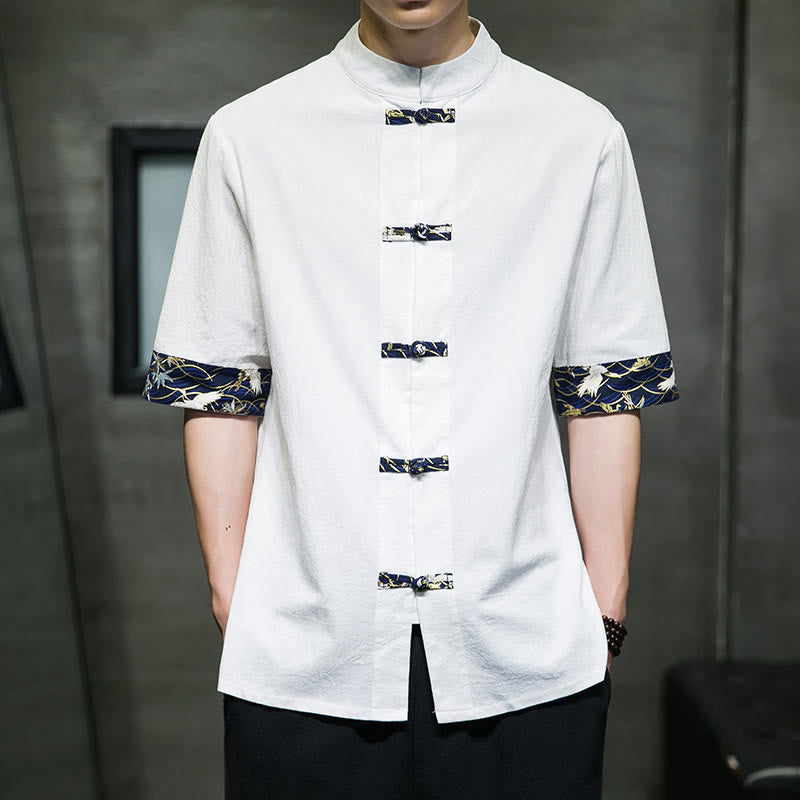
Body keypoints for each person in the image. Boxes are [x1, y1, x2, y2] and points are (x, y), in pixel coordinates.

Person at [143, 1, 679, 797]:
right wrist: (235, 594)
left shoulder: (578, 135)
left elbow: (603, 389)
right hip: (305, 653)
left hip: (527, 651)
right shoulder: (250, 136)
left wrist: (604, 610)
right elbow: (220, 387)